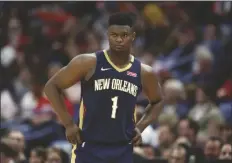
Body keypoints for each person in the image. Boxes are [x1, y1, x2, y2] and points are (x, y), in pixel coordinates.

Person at [44, 12, 163, 163]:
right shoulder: (88, 62)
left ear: (132, 36)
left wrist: (140, 127)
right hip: (89, 146)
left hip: (122, 148)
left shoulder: (143, 71)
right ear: (107, 35)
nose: (119, 39)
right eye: (114, 35)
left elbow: (158, 101)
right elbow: (51, 87)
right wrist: (68, 124)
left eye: (124, 35)